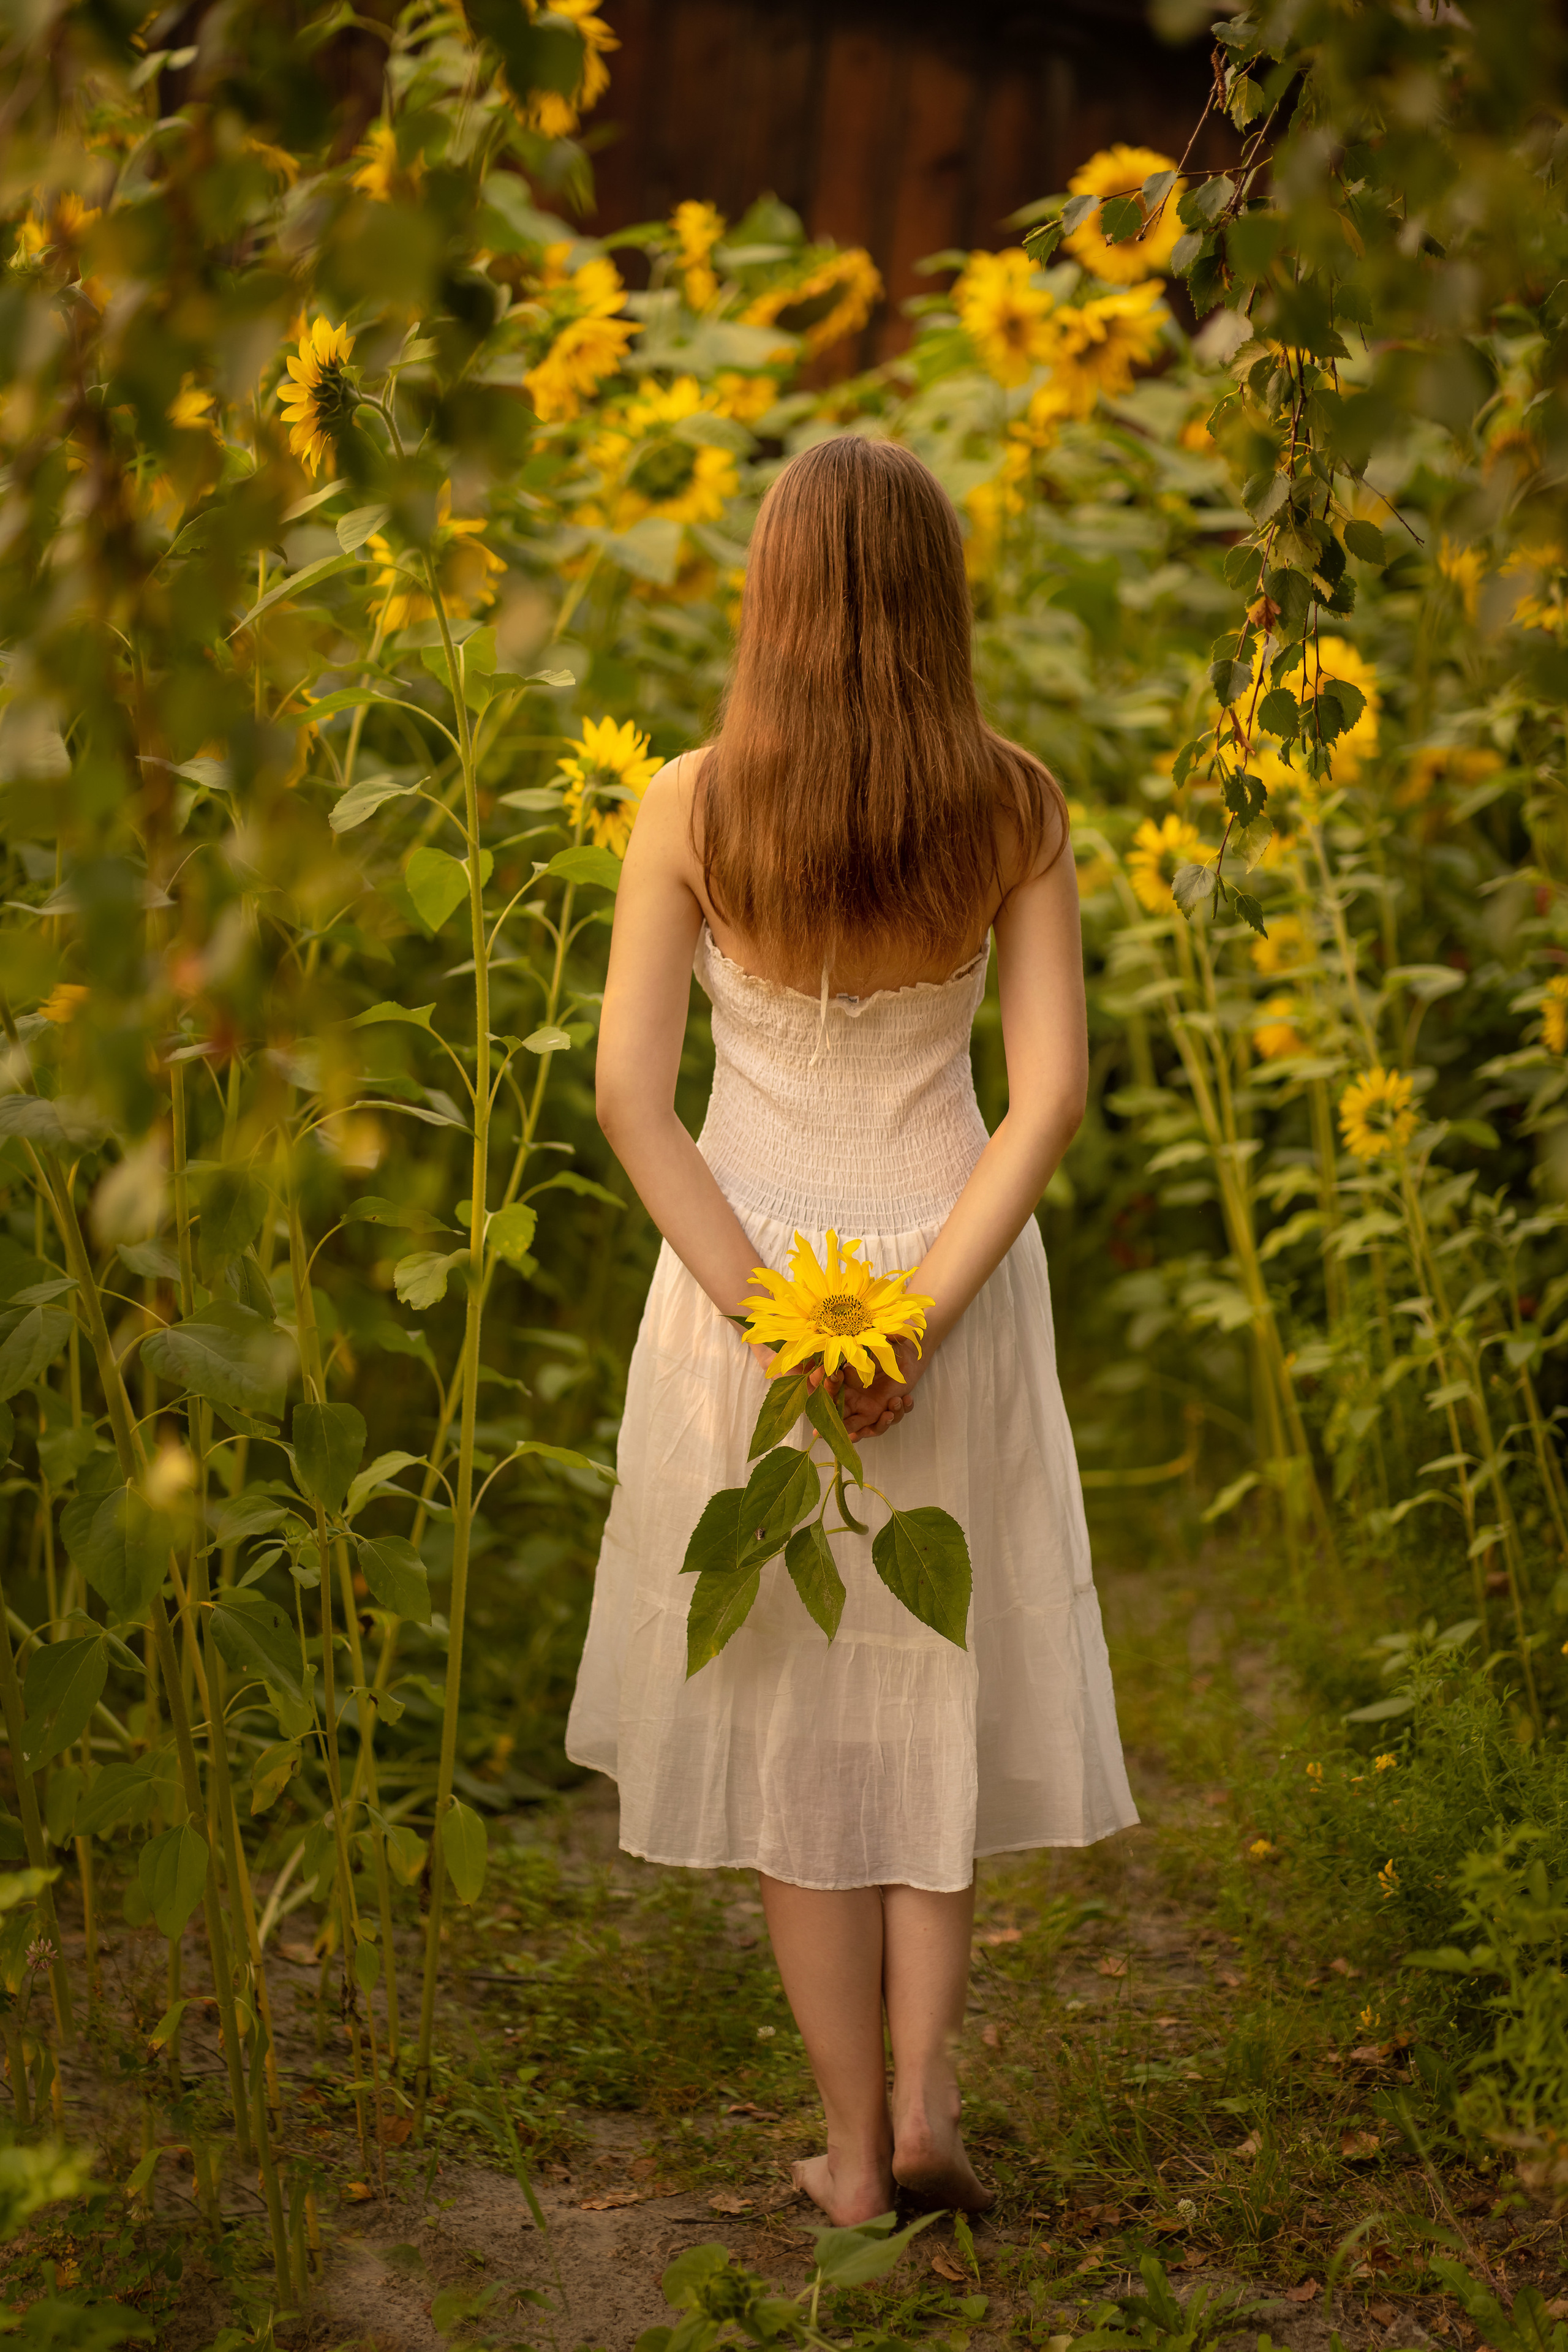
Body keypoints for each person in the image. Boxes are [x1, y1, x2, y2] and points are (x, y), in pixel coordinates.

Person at [567, 435, 1137, 2226]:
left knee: (794, 1716)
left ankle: (852, 2153)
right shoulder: (1015, 804)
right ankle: (928, 2093)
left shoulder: (693, 805)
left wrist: (785, 1330)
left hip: (745, 1295)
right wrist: (913, 1324)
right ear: (938, 600)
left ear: (775, 595)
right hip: (950, 1282)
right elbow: (1048, 1096)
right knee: (927, 1683)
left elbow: (631, 1100)